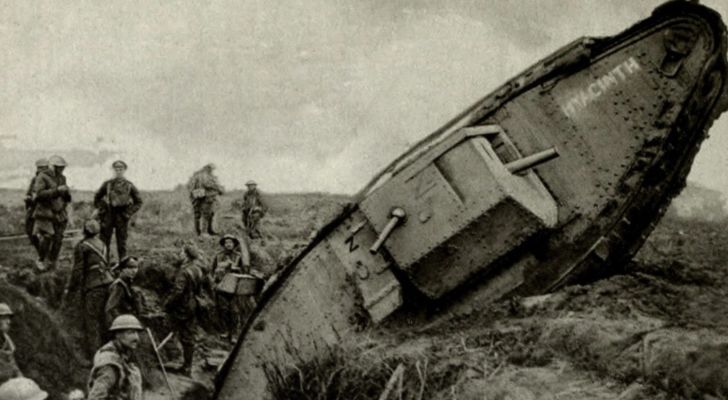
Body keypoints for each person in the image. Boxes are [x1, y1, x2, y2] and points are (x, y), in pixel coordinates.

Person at [64, 220, 114, 360]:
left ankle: (96, 357)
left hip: (93, 287)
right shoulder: (103, 244)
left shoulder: (82, 246)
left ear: (84, 231)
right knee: (105, 320)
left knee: (92, 322)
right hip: (108, 284)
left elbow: (78, 270)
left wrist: (71, 289)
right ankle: (110, 353)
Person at [164, 244, 206, 376]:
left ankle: (171, 358)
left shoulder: (184, 271)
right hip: (193, 305)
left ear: (187, 256)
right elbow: (200, 290)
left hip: (181, 307)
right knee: (189, 336)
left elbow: (178, 291)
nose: (179, 255)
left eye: (182, 253)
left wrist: (167, 304)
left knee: (168, 328)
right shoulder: (197, 269)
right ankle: (187, 366)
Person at [94, 160, 143, 261]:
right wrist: (102, 210)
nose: (118, 171)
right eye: (116, 169)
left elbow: (139, 202)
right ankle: (104, 264)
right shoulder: (107, 185)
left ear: (124, 170)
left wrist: (128, 213)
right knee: (104, 242)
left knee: (122, 243)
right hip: (108, 215)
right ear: (113, 170)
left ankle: (123, 265)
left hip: (122, 216)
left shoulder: (129, 186)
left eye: (121, 169)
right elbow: (97, 197)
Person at [86, 315, 143, 400]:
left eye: (137, 332)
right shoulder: (110, 364)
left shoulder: (123, 356)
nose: (136, 338)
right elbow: (96, 397)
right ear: (118, 335)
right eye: (131, 332)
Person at [32, 155, 71, 271]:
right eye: (59, 167)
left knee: (58, 239)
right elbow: (39, 194)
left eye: (63, 167)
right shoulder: (42, 177)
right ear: (52, 167)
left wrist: (66, 194)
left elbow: (65, 197)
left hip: (59, 212)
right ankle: (40, 259)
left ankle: (52, 262)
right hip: (45, 212)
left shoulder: (62, 178)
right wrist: (57, 191)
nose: (61, 169)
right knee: (48, 236)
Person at [211, 234, 252, 342]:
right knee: (223, 310)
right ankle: (225, 331)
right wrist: (214, 282)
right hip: (221, 286)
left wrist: (234, 268)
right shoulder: (218, 256)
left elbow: (245, 271)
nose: (228, 244)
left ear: (234, 244)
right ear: (223, 244)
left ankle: (234, 333)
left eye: (230, 242)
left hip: (234, 287)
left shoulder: (239, 256)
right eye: (226, 242)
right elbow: (212, 270)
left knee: (235, 311)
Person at [186, 164, 224, 236]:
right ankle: (204, 232)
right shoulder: (205, 175)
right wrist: (219, 188)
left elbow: (190, 187)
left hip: (197, 197)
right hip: (207, 197)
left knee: (201, 215)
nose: (212, 171)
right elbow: (207, 184)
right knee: (206, 215)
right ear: (208, 168)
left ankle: (201, 231)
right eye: (211, 169)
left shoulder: (196, 175)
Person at [105, 257, 142, 327]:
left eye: (136, 267)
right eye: (130, 268)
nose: (134, 271)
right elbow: (110, 309)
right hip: (121, 324)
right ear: (122, 269)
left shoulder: (128, 284)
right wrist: (121, 323)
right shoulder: (119, 286)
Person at [24, 158, 49, 254]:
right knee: (30, 230)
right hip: (34, 208)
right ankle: (40, 251)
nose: (41, 170)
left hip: (46, 209)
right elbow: (29, 192)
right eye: (40, 168)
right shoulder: (34, 180)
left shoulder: (50, 180)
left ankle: (45, 254)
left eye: (44, 168)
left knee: (47, 234)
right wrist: (28, 197)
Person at [0, 303, 21, 384]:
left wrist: (22, 380)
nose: (9, 322)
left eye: (9, 318)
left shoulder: (6, 340)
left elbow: (13, 365)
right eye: (4, 318)